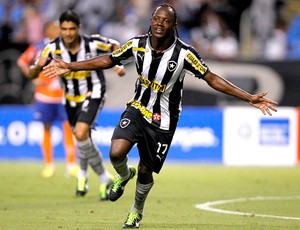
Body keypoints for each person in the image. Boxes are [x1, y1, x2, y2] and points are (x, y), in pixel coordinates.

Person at [43, 4, 278, 228]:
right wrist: (71, 66)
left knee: (146, 170)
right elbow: (109, 59)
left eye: (166, 20)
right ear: (151, 21)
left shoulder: (184, 54)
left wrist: (249, 98)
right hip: (137, 108)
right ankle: (124, 175)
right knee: (116, 152)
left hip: (163, 120)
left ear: (173, 26)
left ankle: (136, 210)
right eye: (156, 18)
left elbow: (212, 78)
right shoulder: (136, 45)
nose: (160, 23)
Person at [29, 10, 125, 200]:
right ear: (60, 29)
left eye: (72, 29)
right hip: (70, 99)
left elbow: (115, 45)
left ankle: (85, 175)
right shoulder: (51, 48)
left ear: (78, 28)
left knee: (81, 133)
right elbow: (34, 71)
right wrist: (36, 69)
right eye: (64, 29)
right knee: (83, 139)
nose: (68, 33)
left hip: (93, 93)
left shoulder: (92, 42)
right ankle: (103, 178)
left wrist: (116, 63)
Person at [17, 20, 79, 178]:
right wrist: (33, 78)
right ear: (47, 31)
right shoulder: (38, 47)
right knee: (46, 129)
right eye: (55, 28)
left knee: (69, 128)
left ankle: (71, 165)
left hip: (64, 95)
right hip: (44, 96)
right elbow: (22, 62)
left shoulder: (68, 47)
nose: (59, 31)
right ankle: (49, 165)